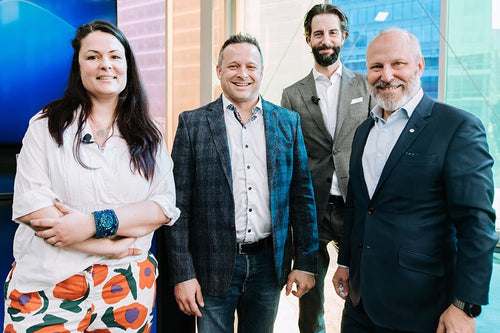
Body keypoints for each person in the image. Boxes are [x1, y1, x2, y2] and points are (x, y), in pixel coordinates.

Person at [3, 20, 179, 332]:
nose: (105, 65)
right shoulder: (45, 126)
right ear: (79, 66)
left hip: (127, 287)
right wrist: (107, 247)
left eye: (115, 56)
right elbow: (36, 210)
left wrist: (88, 225)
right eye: (93, 56)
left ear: (127, 64)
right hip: (48, 284)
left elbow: (161, 207)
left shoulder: (149, 133)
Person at [332, 27, 498, 332]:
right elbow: (356, 205)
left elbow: (476, 224)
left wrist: (465, 306)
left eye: (398, 64)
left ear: (419, 66)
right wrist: (345, 263)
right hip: (359, 303)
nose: (386, 75)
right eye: (376, 66)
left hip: (421, 307)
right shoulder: (362, 132)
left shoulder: (457, 127)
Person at [164, 33, 318, 332]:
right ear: (219, 71)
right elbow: (177, 206)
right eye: (233, 66)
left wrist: (305, 262)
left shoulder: (288, 122)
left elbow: (303, 198)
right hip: (211, 265)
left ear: (261, 71)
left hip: (268, 265)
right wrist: (183, 274)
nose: (243, 74)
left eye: (251, 66)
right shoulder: (192, 124)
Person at [281, 4, 372, 332]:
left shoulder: (366, 86)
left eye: (332, 33)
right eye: (318, 33)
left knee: (361, 292)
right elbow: (289, 156)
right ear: (308, 39)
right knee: (310, 298)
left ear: (343, 37)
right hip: (313, 207)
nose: (326, 40)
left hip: (357, 204)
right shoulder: (292, 95)